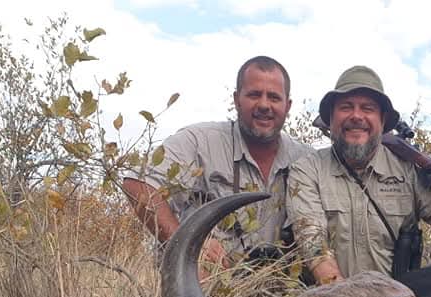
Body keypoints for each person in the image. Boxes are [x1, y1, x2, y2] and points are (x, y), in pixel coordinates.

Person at [286, 65, 431, 285]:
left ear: (383, 121)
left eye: (367, 108)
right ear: (331, 119)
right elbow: (313, 246)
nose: (356, 116)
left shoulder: (409, 169)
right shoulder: (306, 170)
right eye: (346, 107)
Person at [123, 55, 312, 272]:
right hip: (204, 289)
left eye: (274, 97)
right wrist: (187, 245)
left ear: (287, 106)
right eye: (253, 95)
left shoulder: (307, 161)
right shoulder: (199, 141)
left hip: (279, 292)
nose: (264, 105)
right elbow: (137, 185)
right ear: (236, 99)